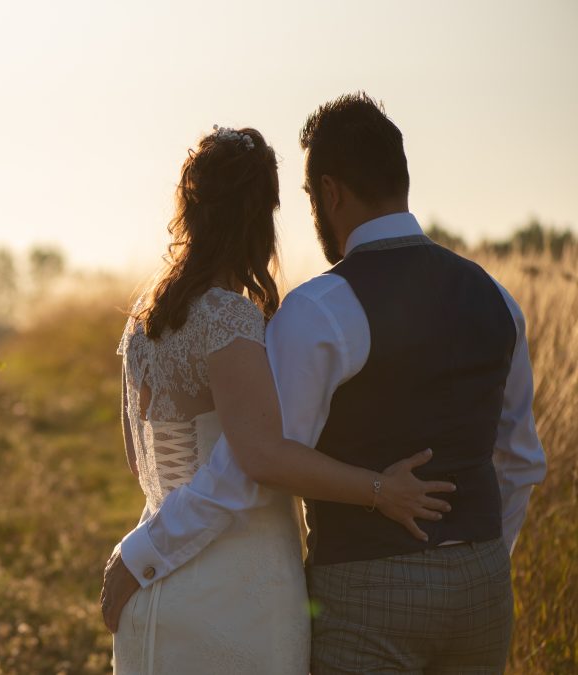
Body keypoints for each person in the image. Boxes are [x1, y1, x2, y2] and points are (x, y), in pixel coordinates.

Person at [100, 122, 457, 674]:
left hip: (153, 572)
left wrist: (152, 546)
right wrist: (380, 490)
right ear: (260, 216)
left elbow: (138, 459)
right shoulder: (228, 317)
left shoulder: (144, 321)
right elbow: (261, 456)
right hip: (234, 591)